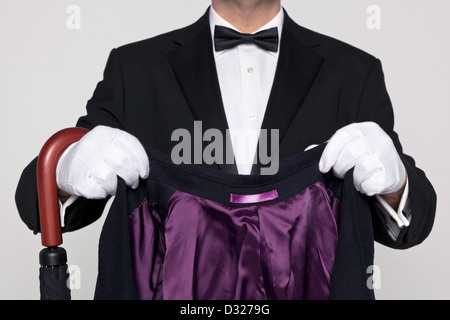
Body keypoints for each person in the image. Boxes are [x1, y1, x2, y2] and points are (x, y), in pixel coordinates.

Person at [16, 0, 435, 256]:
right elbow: (33, 203)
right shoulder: (136, 69)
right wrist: (66, 172)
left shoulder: (354, 72)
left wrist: (394, 185)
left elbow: (411, 228)